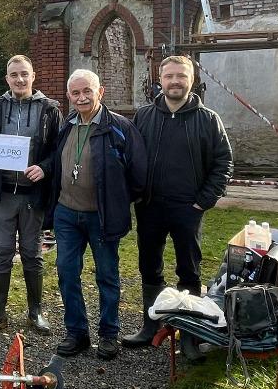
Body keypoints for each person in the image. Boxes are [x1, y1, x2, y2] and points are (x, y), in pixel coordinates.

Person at [123, 55, 233, 348]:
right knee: (150, 267)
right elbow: (131, 158)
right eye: (169, 76)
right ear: (160, 79)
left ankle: (190, 335)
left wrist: (203, 201)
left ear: (191, 79)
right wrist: (135, 193)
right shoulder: (145, 116)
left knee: (189, 270)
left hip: (188, 208)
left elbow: (224, 163)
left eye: (181, 76)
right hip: (150, 207)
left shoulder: (208, 119)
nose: (174, 81)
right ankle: (150, 326)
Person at [48, 69, 146, 360]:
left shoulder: (120, 127)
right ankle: (76, 332)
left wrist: (116, 201)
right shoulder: (66, 125)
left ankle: (108, 334)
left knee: (107, 275)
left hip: (101, 217)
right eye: (75, 93)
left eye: (87, 91)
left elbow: (138, 174)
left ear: (100, 91)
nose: (82, 97)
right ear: (69, 96)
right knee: (66, 273)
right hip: (67, 213)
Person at [0, 55, 61, 335]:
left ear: (33, 76)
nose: (19, 79)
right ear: (7, 79)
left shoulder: (49, 109)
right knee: (1, 254)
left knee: (33, 253)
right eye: (14, 75)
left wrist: (44, 168)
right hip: (1, 194)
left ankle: (36, 311)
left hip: (33, 195)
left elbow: (59, 150)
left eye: (24, 74)